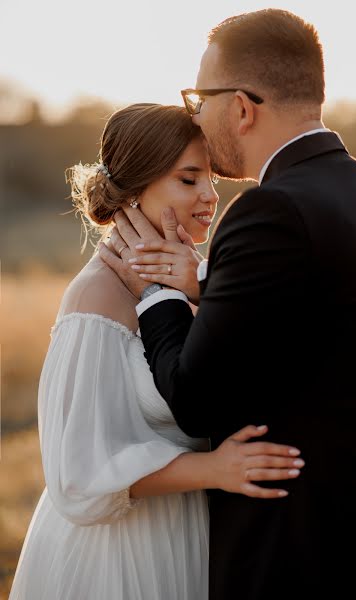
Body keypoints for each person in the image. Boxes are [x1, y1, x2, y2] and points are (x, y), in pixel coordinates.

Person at [99, 9, 356, 598]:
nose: (196, 115)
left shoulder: (271, 210)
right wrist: (204, 284)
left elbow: (196, 400)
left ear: (240, 106)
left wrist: (156, 294)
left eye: (199, 99)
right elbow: (323, 321)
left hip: (295, 553)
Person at [9, 103, 305, 600]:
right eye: (188, 180)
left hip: (189, 536)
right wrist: (214, 469)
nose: (211, 197)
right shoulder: (95, 297)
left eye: (211, 179)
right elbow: (76, 475)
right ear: (134, 191)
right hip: (120, 556)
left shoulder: (202, 279)